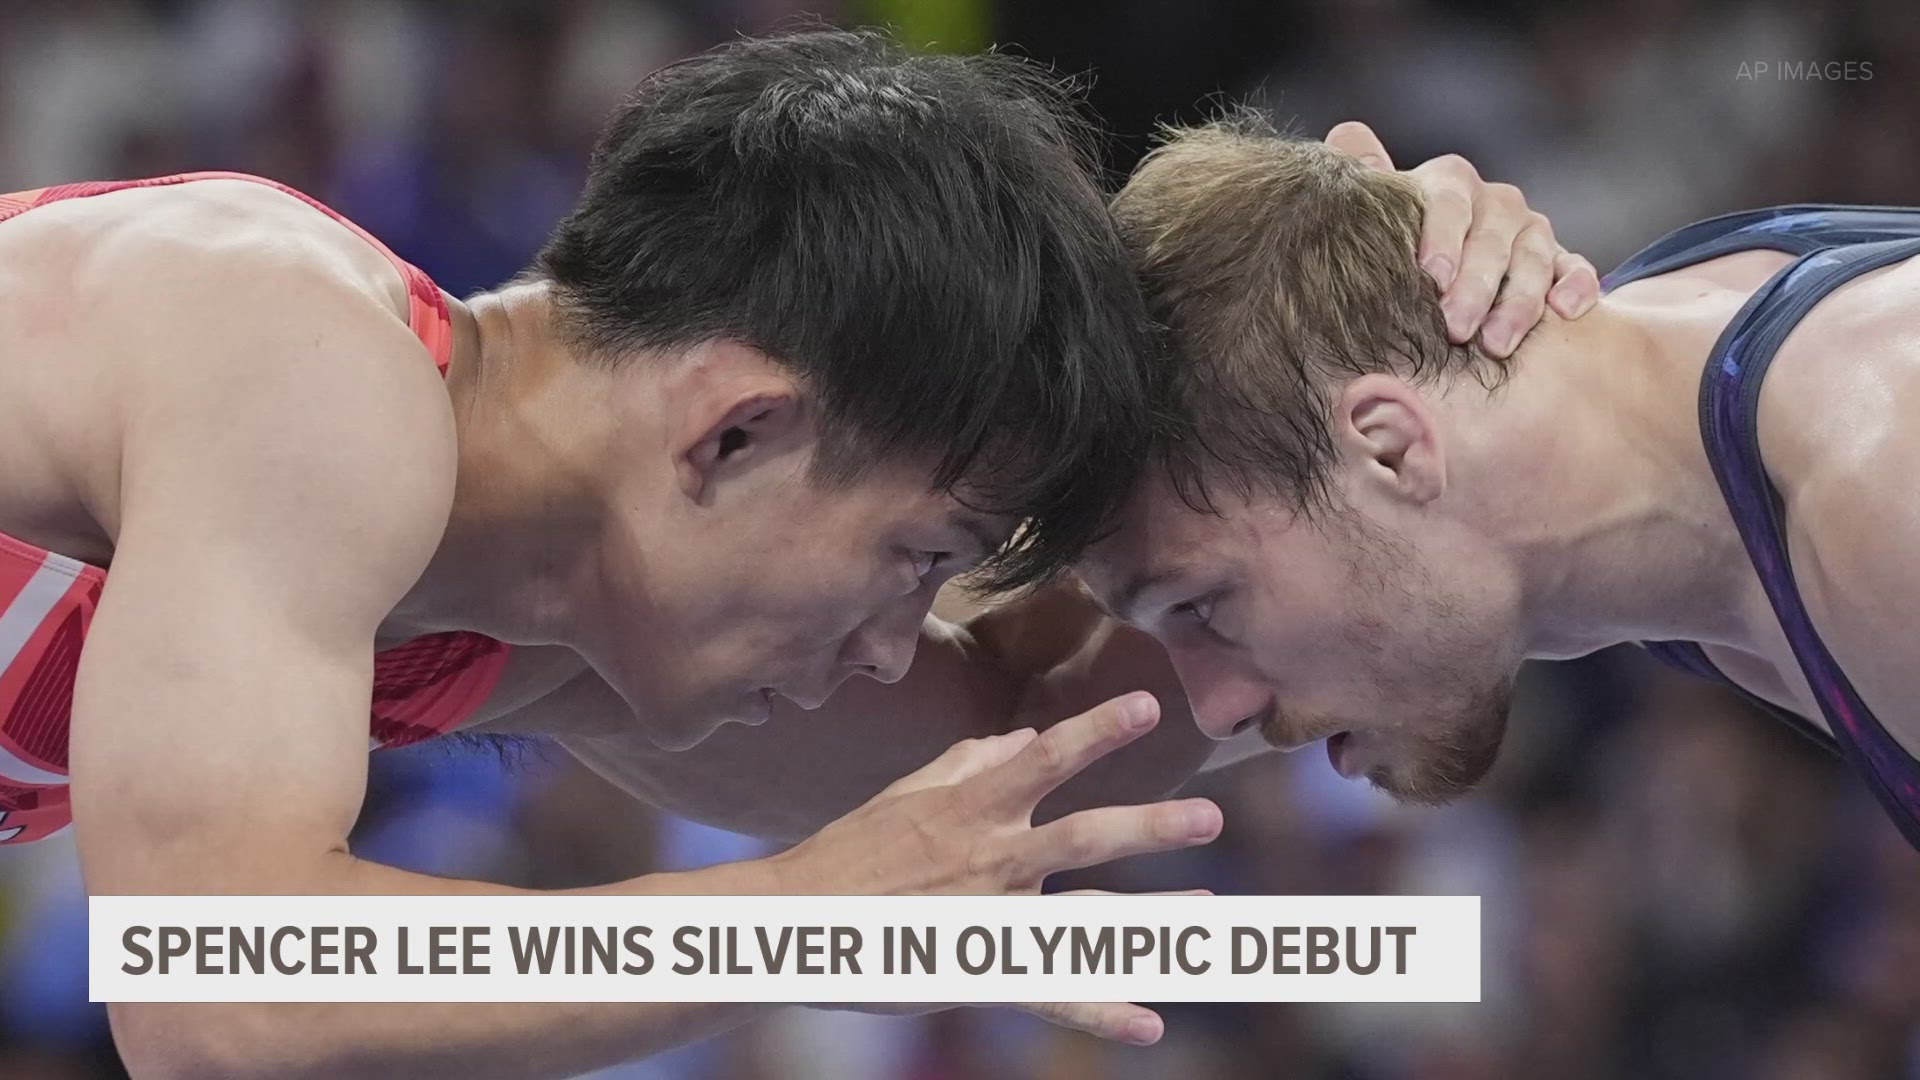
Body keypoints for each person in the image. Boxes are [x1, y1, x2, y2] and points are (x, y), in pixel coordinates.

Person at [0, 24, 1589, 1075]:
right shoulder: (286, 349)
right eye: (917, 557)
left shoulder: (551, 626)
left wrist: (1389, 387)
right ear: (736, 432)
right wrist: (794, 910)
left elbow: (1003, 753)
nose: (905, 641)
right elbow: (216, 991)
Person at [1062, 112, 1920, 848]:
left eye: (1203, 606)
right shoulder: (1648, 375)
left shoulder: (1880, 473)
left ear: (1393, 451)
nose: (1213, 713)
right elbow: (1016, 719)